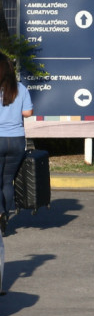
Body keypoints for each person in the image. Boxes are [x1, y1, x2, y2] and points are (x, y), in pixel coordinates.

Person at [0, 54, 33, 237]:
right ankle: (4, 219)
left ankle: (1, 214)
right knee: (7, 181)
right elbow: (27, 112)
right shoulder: (20, 88)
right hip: (17, 141)